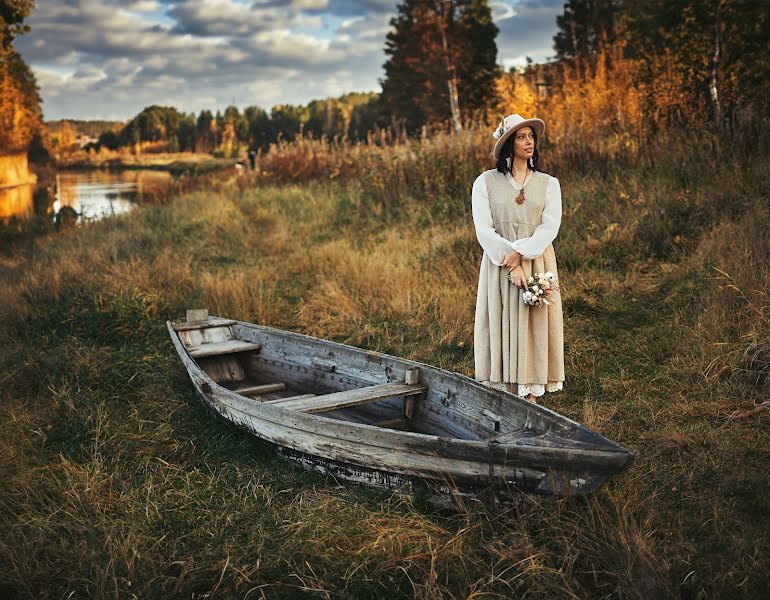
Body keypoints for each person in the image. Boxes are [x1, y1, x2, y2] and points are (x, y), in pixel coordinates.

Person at [471, 114, 564, 401]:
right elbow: (484, 229)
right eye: (521, 137)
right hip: (499, 264)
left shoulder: (549, 184)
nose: (529, 142)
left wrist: (521, 254)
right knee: (501, 321)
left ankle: (531, 391)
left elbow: (550, 226)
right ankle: (506, 390)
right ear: (509, 143)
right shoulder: (485, 182)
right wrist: (510, 261)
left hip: (537, 261)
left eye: (531, 137)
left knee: (533, 322)